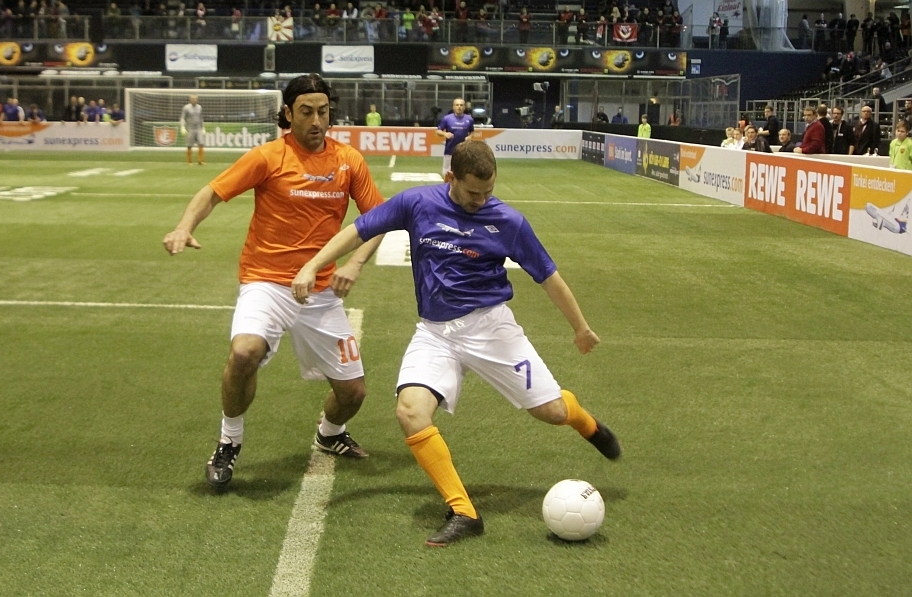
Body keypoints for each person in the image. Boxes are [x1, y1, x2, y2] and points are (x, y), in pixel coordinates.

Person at [290, 140, 621, 547]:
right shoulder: (416, 203)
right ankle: (464, 511)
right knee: (410, 411)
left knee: (551, 412)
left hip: (492, 330)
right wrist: (313, 265)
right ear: (451, 177)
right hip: (435, 333)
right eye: (472, 192)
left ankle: (585, 423)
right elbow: (359, 230)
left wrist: (580, 328)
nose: (481, 200)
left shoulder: (509, 221)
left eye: (488, 191)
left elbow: (549, 277)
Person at [162, 74, 386, 489]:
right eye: (306, 112)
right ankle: (229, 440)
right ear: (288, 113)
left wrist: (354, 264)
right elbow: (211, 193)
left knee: (353, 393)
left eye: (323, 111)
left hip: (319, 290)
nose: (316, 121)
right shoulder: (268, 156)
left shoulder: (348, 160)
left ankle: (329, 434)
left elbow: (378, 220)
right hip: (265, 282)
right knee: (243, 352)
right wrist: (183, 226)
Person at [436, 97, 474, 177]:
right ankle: (447, 185)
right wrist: (445, 134)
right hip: (449, 151)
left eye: (461, 105)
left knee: (463, 174)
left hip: (464, 152)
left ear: (464, 107)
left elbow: (472, 132)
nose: (459, 107)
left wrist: (470, 137)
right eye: (457, 105)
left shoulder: (469, 119)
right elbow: (438, 131)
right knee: (447, 174)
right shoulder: (447, 118)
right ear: (453, 107)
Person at [181, 94, 205, 165]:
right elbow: (182, 118)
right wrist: (182, 127)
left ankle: (200, 160)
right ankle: (189, 161)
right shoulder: (186, 108)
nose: (194, 100)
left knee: (201, 144)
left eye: (195, 99)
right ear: (190, 100)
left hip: (198, 128)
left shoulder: (199, 107)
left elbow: (201, 118)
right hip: (190, 128)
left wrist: (203, 127)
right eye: (193, 99)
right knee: (189, 145)